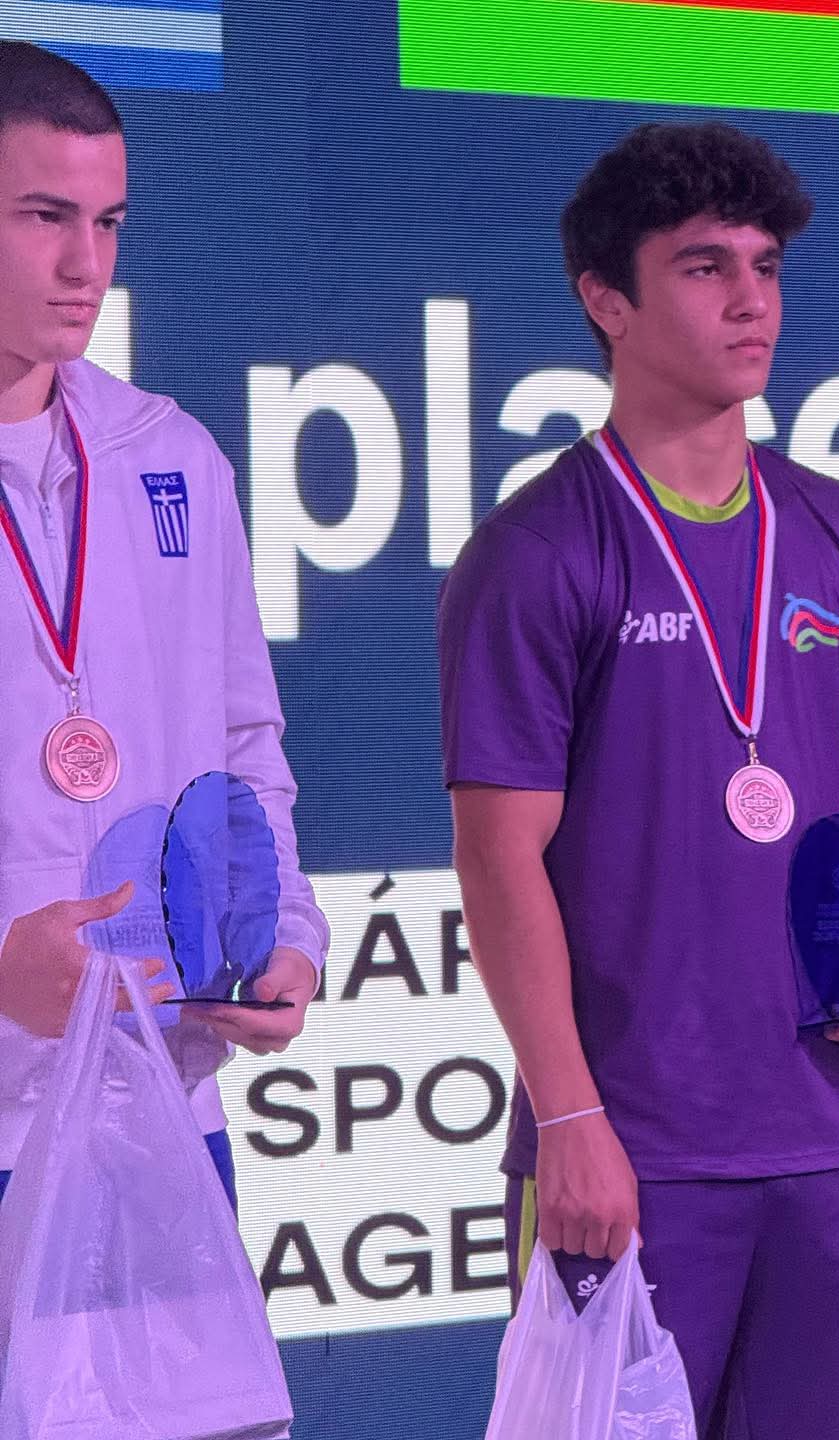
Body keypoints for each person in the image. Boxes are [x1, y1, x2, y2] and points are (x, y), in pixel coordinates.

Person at [439, 121, 839, 1436]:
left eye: (765, 267)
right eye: (705, 267)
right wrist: (569, 1117)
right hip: (632, 1147)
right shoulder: (538, 552)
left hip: (831, 1139)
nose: (751, 301)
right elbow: (498, 855)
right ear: (607, 300)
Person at [0, 41, 328, 1209]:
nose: (85, 264)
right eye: (45, 217)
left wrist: (283, 932)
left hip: (160, 1114)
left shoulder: (171, 454)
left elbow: (242, 742)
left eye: (108, 223)